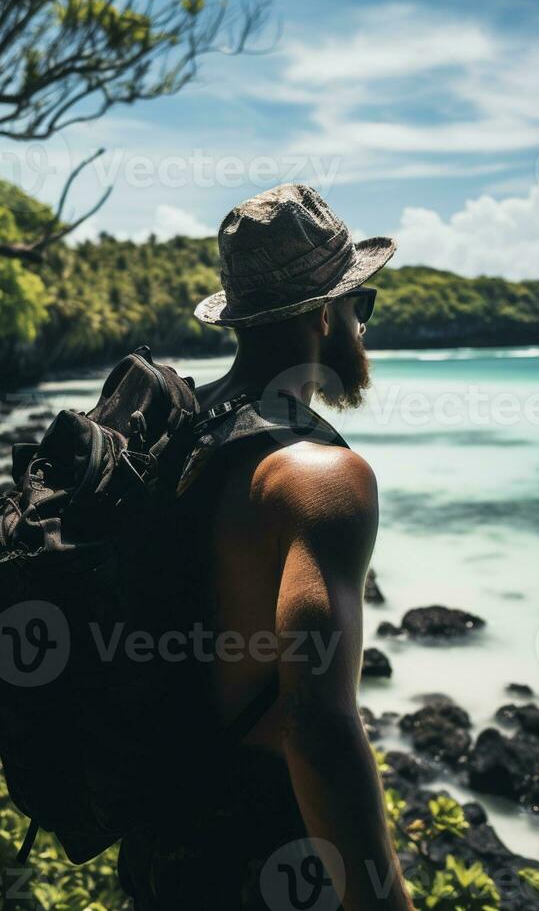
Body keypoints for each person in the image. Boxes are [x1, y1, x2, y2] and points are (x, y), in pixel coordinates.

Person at [118, 184, 414, 911]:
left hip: (158, 842)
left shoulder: (173, 437)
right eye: (361, 306)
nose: (362, 327)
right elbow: (316, 723)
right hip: (264, 863)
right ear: (323, 314)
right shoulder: (323, 479)